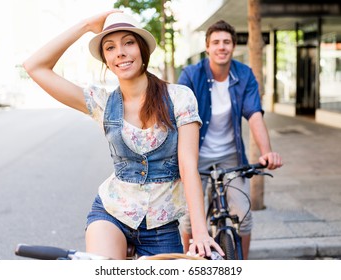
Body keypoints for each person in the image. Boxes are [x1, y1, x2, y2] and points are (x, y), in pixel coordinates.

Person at [23, 10, 224, 260]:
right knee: (103, 270)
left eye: (128, 42)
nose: (120, 52)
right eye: (110, 47)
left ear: (142, 50)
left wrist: (201, 233)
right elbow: (35, 67)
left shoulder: (179, 97)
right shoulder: (102, 102)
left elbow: (188, 166)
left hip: (161, 227)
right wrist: (86, 24)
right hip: (111, 213)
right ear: (106, 59)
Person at [177, 20, 283, 259]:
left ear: (233, 46)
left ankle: (242, 265)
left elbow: (254, 114)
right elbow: (177, 114)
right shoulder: (192, 75)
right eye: (216, 42)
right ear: (207, 47)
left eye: (226, 42)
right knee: (188, 219)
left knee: (243, 217)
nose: (221, 47)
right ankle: (185, 262)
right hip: (196, 156)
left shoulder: (243, 74)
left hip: (230, 155)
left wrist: (267, 152)